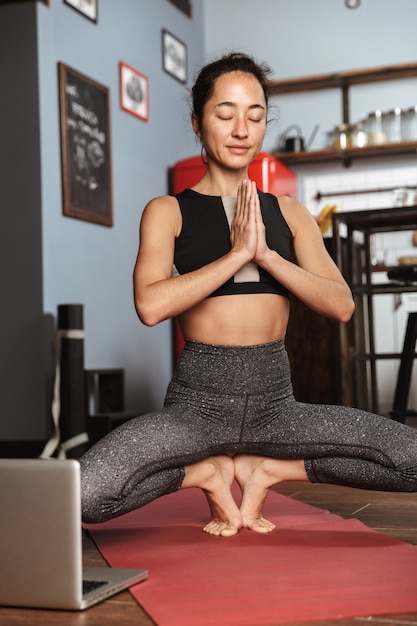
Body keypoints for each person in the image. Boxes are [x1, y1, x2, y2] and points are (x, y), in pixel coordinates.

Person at [80, 52, 417, 537]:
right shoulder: (167, 210)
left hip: (277, 405)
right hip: (196, 406)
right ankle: (205, 473)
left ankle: (268, 469)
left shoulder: (289, 212)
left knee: (410, 461)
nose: (242, 129)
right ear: (198, 122)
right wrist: (236, 256)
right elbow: (150, 306)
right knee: (89, 492)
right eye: (225, 114)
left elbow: (341, 304)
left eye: (255, 116)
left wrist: (268, 257)